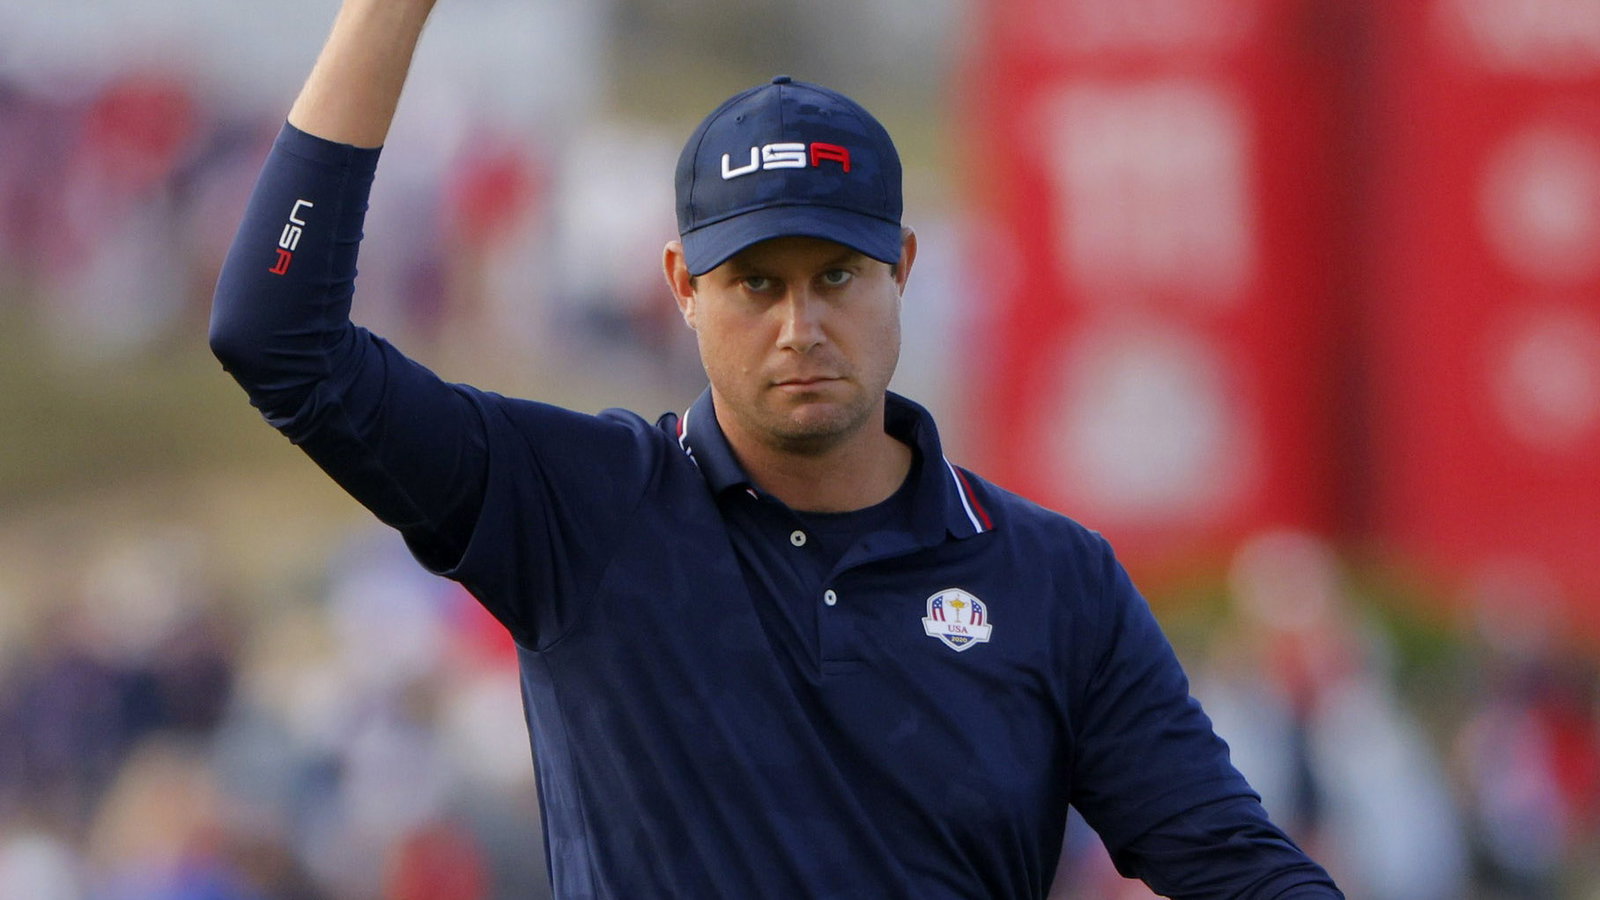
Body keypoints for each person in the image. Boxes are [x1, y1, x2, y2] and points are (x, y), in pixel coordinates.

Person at [208, 1, 1344, 897]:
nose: (800, 327)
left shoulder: (1053, 579)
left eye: (835, 277)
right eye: (755, 283)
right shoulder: (578, 506)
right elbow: (277, 340)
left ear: (902, 266)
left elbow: (1229, 865)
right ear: (680, 290)